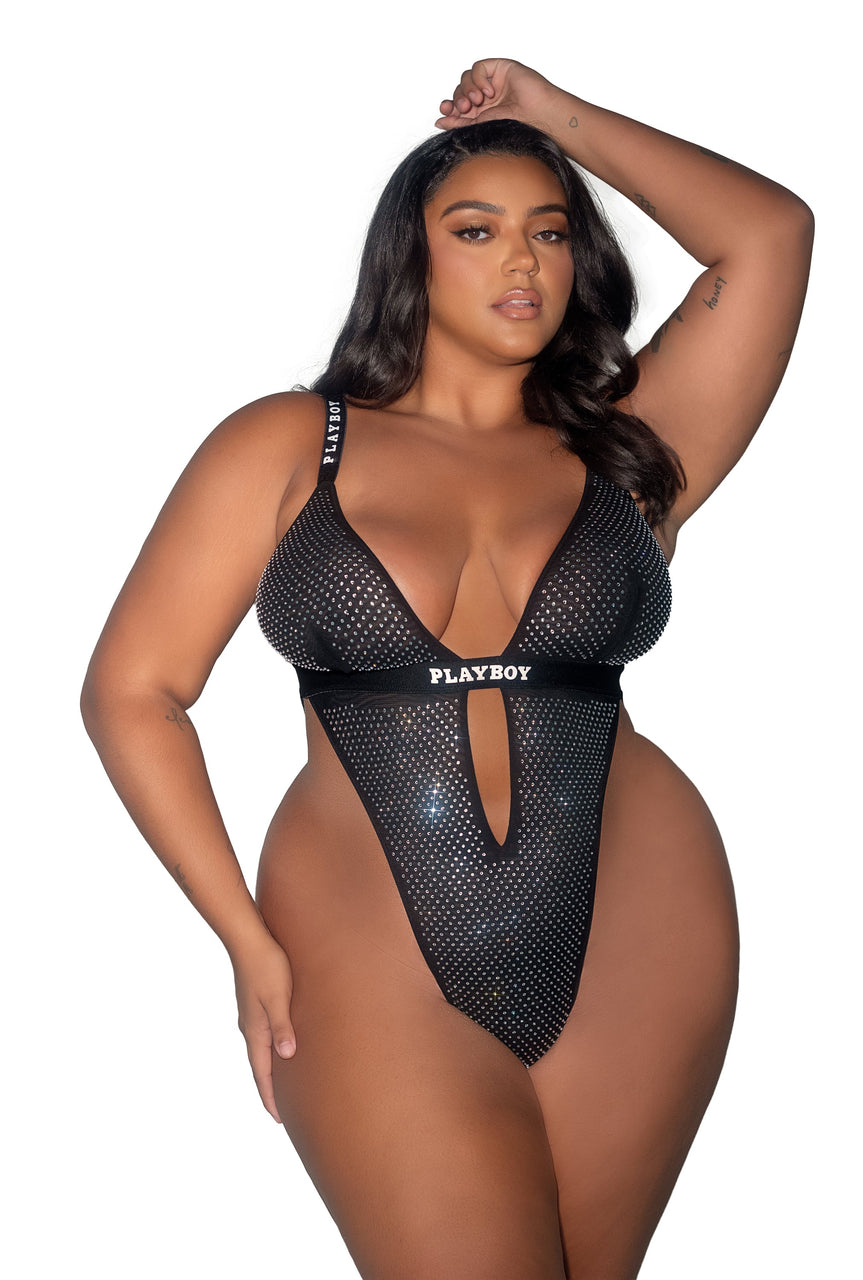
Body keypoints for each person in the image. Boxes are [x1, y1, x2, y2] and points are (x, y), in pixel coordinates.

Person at [82, 58, 813, 1280]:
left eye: (550, 231)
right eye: (476, 230)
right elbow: (133, 691)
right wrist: (244, 938)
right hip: (365, 934)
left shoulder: (627, 447)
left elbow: (770, 235)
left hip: (639, 911)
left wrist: (548, 112)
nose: (522, 261)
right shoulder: (292, 443)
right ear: (408, 258)